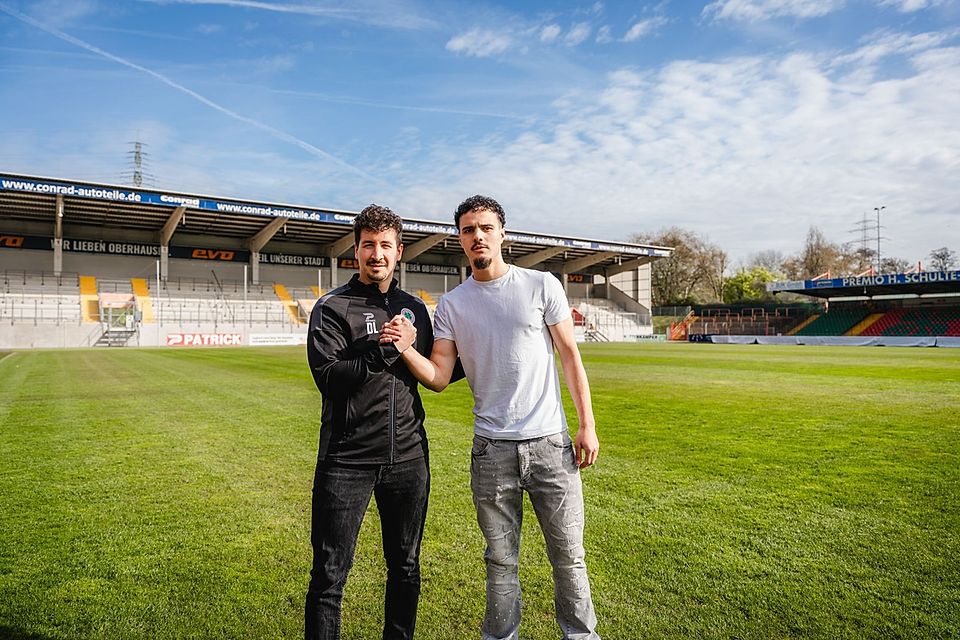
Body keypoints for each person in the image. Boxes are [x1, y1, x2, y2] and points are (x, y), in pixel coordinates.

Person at [381, 195, 601, 640]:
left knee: (569, 555)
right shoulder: (452, 306)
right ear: (460, 240)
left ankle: (581, 636)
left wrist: (586, 423)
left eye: (485, 227)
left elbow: (570, 357)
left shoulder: (541, 285)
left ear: (503, 234)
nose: (477, 236)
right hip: (491, 451)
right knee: (500, 561)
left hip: (551, 446)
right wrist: (405, 348)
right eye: (467, 230)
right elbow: (440, 377)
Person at [305, 204, 431, 640]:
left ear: (399, 252)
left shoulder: (414, 307)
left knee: (406, 566)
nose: (376, 253)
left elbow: (435, 369)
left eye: (385, 245)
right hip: (347, 462)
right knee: (329, 576)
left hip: (409, 460)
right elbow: (329, 379)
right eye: (368, 245)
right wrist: (383, 349)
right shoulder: (332, 307)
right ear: (355, 251)